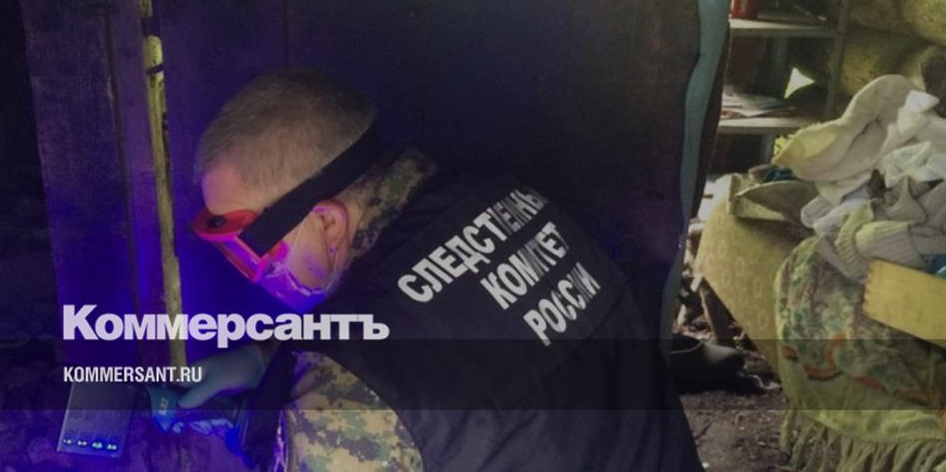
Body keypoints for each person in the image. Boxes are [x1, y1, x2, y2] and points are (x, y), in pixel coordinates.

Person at [181, 69, 702, 471]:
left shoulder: (343, 397)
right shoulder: (510, 201)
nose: (250, 274)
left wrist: (270, 436)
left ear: (328, 224)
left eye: (249, 250)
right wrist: (265, 357)